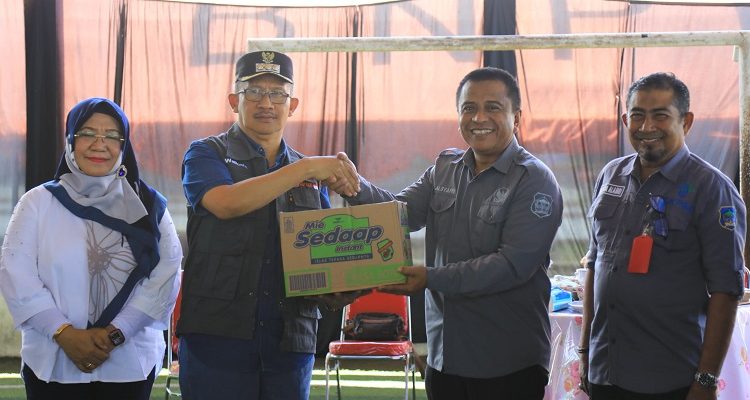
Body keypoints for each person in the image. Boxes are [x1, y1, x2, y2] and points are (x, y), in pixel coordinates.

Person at [330, 67, 563, 400]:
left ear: (516, 118)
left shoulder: (534, 180)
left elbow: (512, 266)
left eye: (493, 107)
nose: (479, 117)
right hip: (445, 359)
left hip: (507, 363)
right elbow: (398, 215)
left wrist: (430, 278)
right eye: (469, 108)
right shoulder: (444, 169)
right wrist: (355, 188)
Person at [176, 50, 362, 400]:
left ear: (292, 106)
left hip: (289, 343)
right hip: (217, 338)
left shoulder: (312, 173)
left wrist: (339, 286)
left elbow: (323, 252)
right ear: (234, 101)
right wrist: (305, 168)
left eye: (277, 93)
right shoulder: (206, 154)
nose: (266, 103)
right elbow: (226, 203)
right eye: (254, 92)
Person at [0, 97, 182, 399]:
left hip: (128, 361)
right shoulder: (37, 203)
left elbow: (167, 272)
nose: (100, 144)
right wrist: (63, 333)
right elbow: (16, 272)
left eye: (112, 135)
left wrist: (117, 332)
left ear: (124, 145)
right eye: (87, 133)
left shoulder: (148, 206)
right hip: (53, 359)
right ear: (71, 141)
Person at [579, 72, 746, 400]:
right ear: (625, 120)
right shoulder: (611, 175)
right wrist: (585, 351)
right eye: (637, 115)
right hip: (605, 371)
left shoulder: (711, 189)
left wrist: (706, 380)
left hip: (670, 378)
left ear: (686, 122)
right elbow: (594, 265)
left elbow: (726, 291)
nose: (647, 126)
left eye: (660, 115)